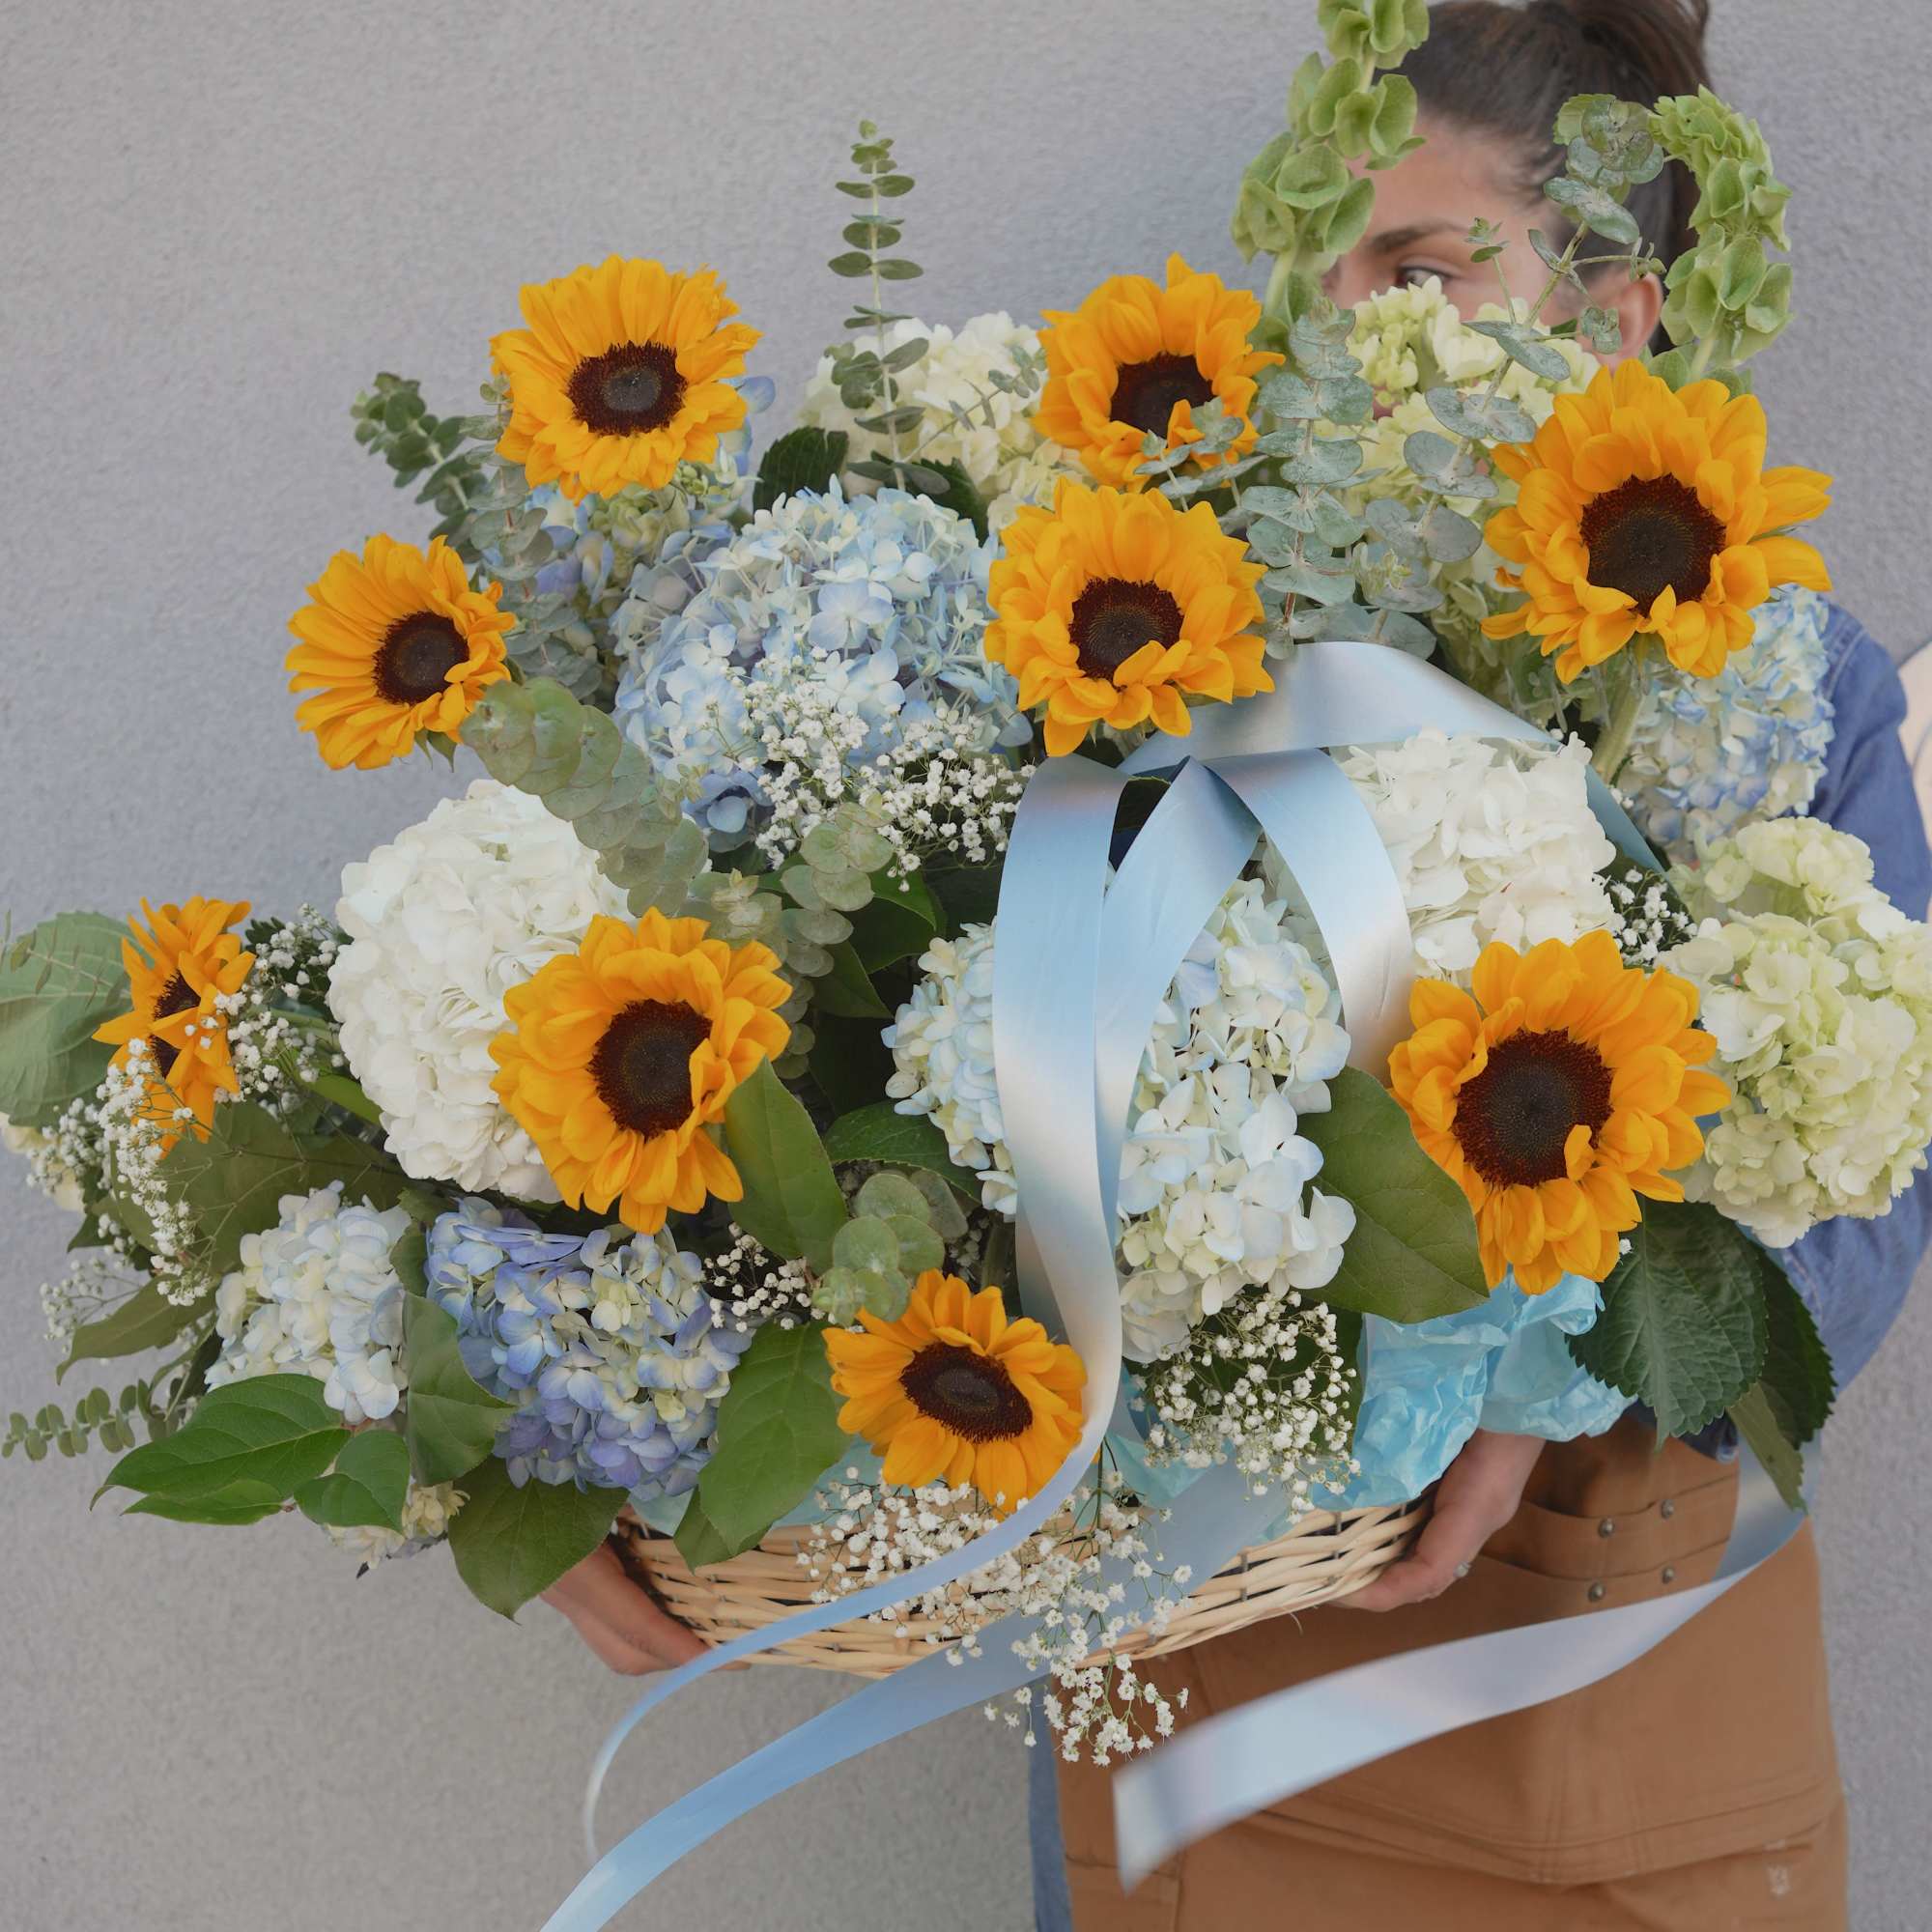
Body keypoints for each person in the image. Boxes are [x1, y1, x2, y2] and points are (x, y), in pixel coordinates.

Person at [546, 6, 1932, 1927]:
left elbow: (1863, 1202)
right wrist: (558, 1436)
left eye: (1419, 263)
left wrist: (1538, 1371)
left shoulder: (1775, 685)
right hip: (1182, 1749)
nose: (1340, 312)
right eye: (1324, 259)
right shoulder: (1144, 625)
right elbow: (858, 1103)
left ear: (1612, 316)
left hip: (1584, 1728)